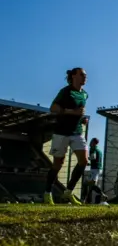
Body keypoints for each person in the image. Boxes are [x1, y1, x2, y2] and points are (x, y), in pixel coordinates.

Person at [44, 68, 89, 205]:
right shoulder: (65, 91)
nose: (85, 77)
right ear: (73, 76)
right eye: (82, 74)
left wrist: (82, 119)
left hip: (77, 132)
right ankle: (47, 193)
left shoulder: (85, 94)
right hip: (61, 132)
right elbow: (53, 108)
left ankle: (68, 193)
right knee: (58, 164)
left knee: (84, 160)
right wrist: (71, 112)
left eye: (85, 75)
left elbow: (79, 112)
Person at [84, 138, 108, 205]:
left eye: (91, 141)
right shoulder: (99, 151)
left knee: (92, 185)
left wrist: (86, 158)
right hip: (98, 168)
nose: (90, 143)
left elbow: (93, 157)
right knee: (91, 186)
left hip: (94, 169)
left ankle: (102, 195)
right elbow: (96, 159)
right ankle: (87, 201)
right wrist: (89, 163)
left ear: (94, 143)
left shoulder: (92, 149)